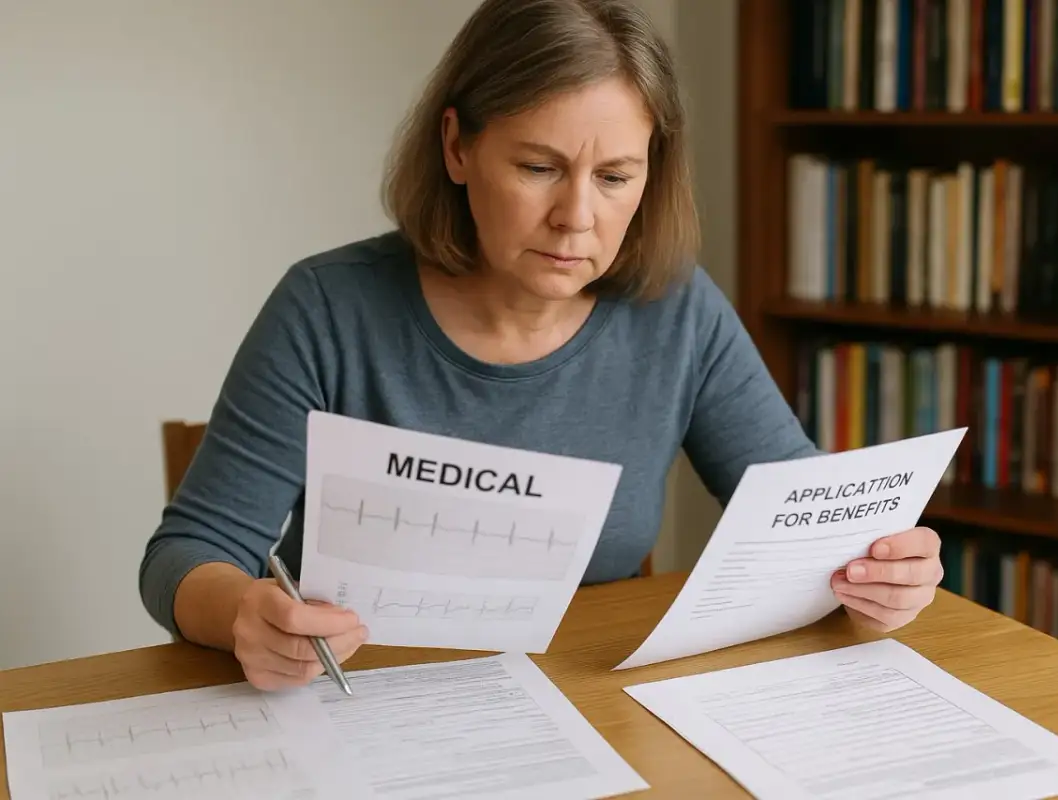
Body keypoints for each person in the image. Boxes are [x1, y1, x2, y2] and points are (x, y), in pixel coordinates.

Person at [139, 0, 945, 692]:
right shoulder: (328, 308)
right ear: (456, 146)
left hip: (577, 700)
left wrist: (880, 570)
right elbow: (190, 554)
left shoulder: (676, 309)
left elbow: (800, 514)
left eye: (616, 177)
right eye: (537, 166)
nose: (577, 217)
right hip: (358, 699)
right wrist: (246, 613)